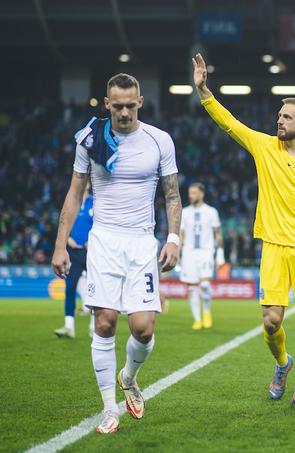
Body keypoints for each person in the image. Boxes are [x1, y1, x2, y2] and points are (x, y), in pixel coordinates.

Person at [192, 53, 295, 408]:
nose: (278, 120)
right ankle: (283, 364)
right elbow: (230, 124)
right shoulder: (264, 146)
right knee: (270, 323)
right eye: (279, 115)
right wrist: (205, 91)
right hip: (273, 246)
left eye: (286, 117)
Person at [51, 73, 181, 433]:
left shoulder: (159, 140)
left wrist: (173, 238)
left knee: (142, 329)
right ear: (106, 104)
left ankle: (129, 375)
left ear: (140, 102)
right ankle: (110, 410)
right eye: (117, 105)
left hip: (142, 242)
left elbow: (172, 194)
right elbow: (75, 193)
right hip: (104, 240)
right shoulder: (92, 139)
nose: (124, 112)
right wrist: (60, 244)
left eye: (130, 104)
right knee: (104, 322)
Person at [179, 182, 224, 330]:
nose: (191, 195)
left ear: (201, 194)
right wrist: (178, 254)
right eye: (190, 193)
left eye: (194, 193)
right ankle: (197, 319)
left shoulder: (211, 212)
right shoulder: (184, 212)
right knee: (192, 288)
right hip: (189, 252)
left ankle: (206, 312)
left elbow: (218, 234)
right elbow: (181, 234)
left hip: (206, 251)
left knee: (205, 285)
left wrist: (220, 254)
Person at [54, 182, 93, 339]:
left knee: (95, 290)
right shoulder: (71, 202)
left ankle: (94, 327)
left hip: (92, 252)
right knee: (70, 288)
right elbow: (64, 223)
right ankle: (69, 327)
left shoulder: (95, 202)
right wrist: (67, 239)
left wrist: (93, 241)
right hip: (73, 253)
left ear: (89, 184)